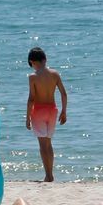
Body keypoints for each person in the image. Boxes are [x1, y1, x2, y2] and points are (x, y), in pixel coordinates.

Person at [24, 47, 67, 182]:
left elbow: (31, 98)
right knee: (48, 143)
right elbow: (63, 94)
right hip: (52, 110)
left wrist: (27, 117)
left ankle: (48, 175)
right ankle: (50, 173)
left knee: (42, 145)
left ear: (32, 62)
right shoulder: (54, 74)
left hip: (39, 111)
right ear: (45, 60)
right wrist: (64, 111)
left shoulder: (33, 77)